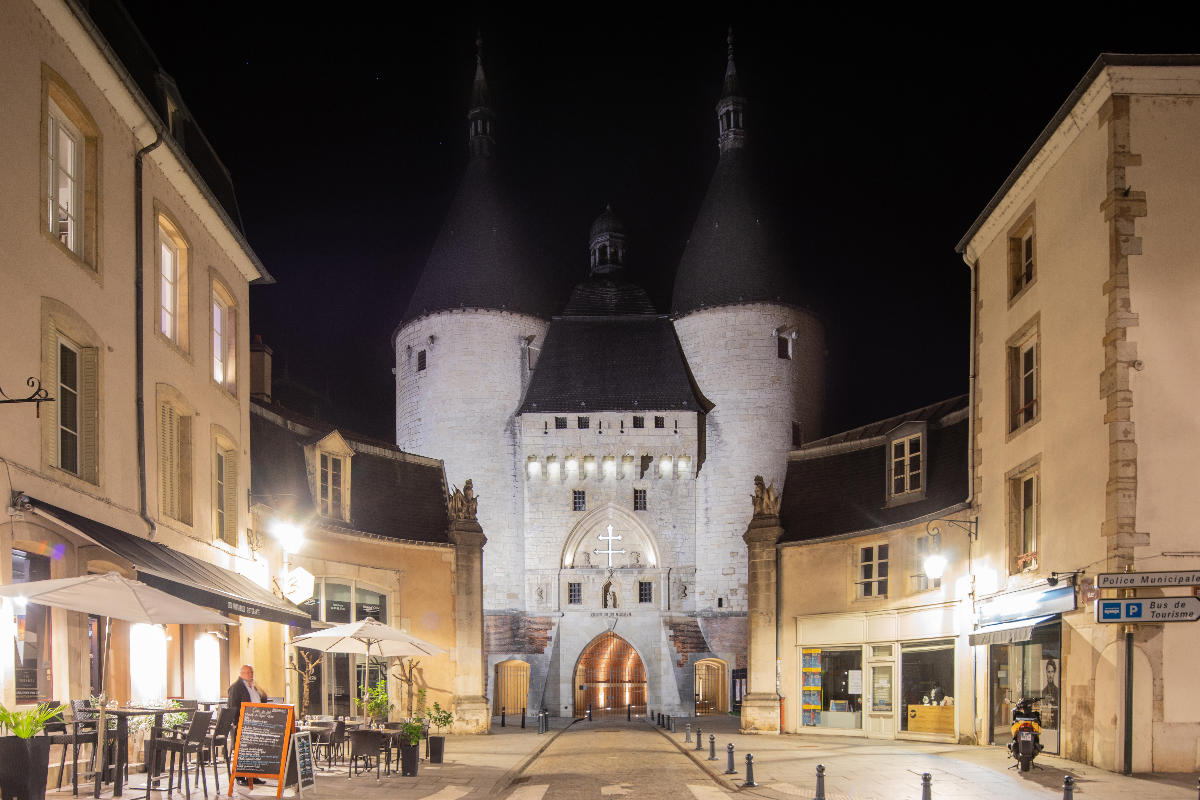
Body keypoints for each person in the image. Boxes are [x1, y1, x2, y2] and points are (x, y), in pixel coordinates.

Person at [227, 665, 270, 785]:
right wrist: (236, 723)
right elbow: (232, 705)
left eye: (252, 672)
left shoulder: (253, 687)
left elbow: (263, 699)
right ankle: (240, 777)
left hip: (256, 723)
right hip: (243, 723)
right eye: (249, 673)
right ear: (242, 673)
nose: (251, 675)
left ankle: (254, 776)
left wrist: (259, 689)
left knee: (254, 751)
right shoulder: (236, 687)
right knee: (242, 751)